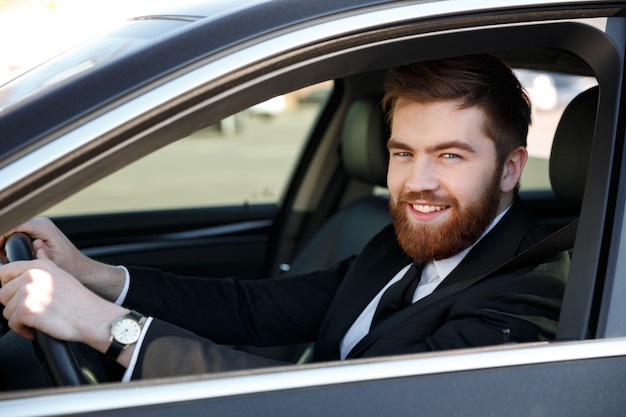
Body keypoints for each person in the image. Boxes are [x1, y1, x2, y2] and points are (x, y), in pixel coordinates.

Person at [0, 54, 569, 382]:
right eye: (403, 153)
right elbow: (257, 309)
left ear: (511, 169)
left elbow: (355, 408)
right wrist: (92, 275)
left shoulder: (529, 292)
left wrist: (107, 327)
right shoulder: (406, 241)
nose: (416, 181)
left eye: (450, 155)